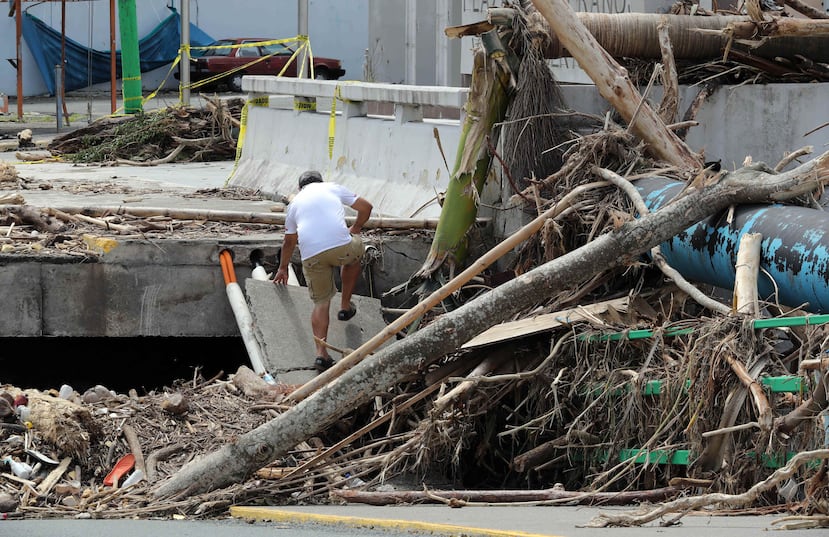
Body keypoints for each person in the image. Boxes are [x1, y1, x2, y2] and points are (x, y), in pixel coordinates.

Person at [273, 170, 373, 373]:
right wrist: (356, 227)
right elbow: (367, 207)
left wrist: (283, 268)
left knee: (320, 303)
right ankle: (345, 305)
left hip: (312, 256)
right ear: (321, 181)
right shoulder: (332, 187)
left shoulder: (294, 204)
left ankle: (321, 353)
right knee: (354, 255)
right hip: (341, 248)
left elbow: (289, 241)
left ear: (300, 188)